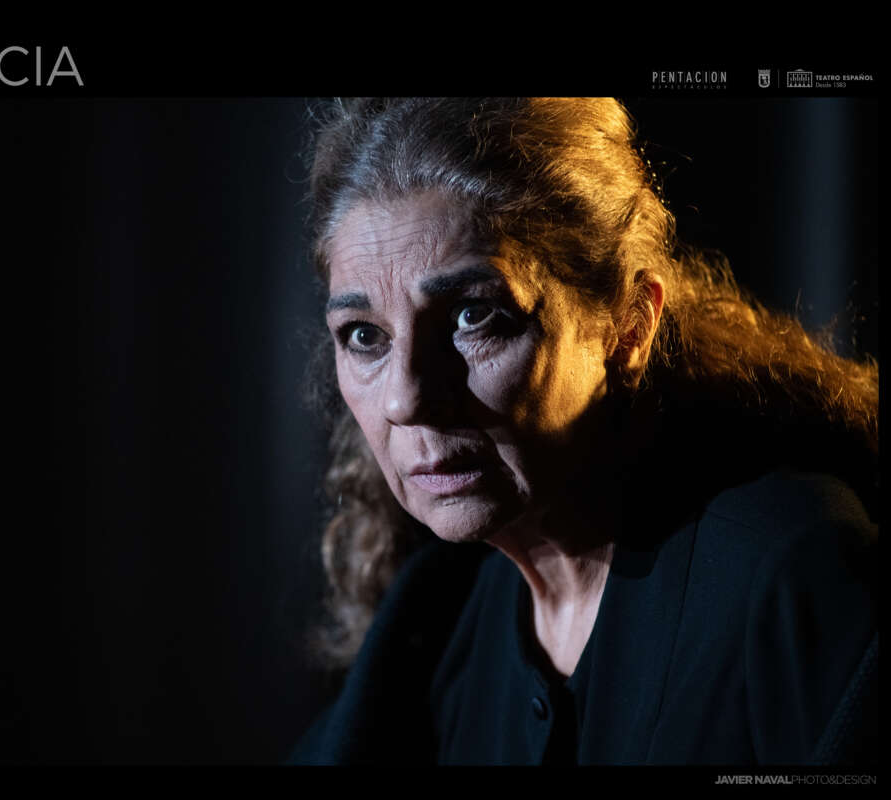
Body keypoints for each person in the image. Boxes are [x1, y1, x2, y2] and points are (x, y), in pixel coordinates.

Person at [288, 98, 878, 765]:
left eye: (474, 315)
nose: (406, 398)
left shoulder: (790, 569)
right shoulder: (437, 615)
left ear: (628, 326)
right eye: (364, 336)